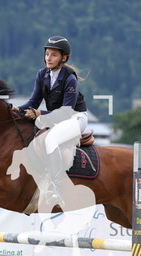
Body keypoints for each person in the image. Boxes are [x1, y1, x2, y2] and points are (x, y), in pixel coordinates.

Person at [14, 36, 89, 207]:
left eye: (54, 55)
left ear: (64, 58)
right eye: (47, 54)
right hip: (55, 116)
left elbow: (65, 113)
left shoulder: (70, 79)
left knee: (51, 140)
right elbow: (33, 102)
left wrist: (39, 113)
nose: (48, 58)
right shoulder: (42, 74)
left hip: (75, 117)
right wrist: (15, 109)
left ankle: (57, 189)